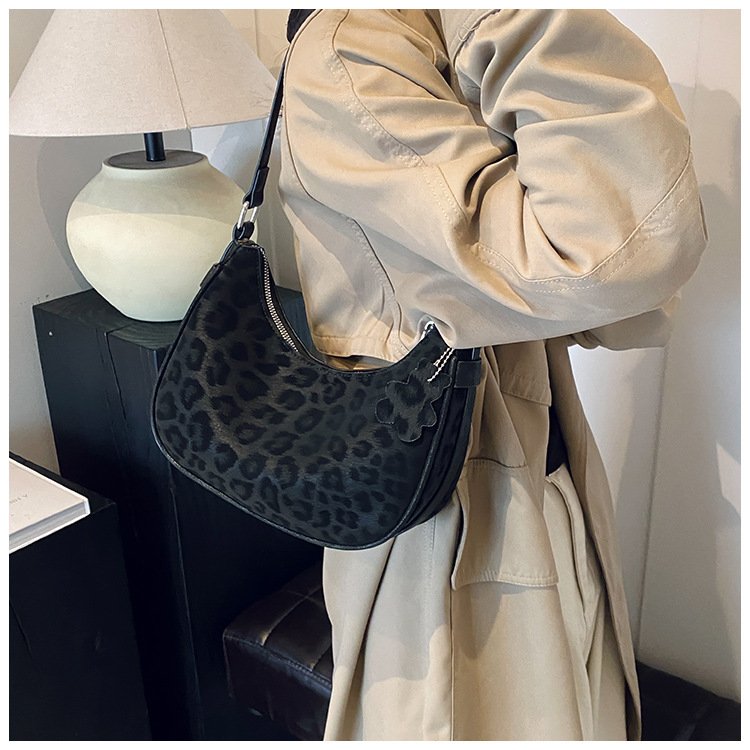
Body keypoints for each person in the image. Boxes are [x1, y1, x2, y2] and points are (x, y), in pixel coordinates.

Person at [275, 9, 708, 741]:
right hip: (448, 518)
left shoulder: (412, 39)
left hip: (520, 481)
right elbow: (609, 254)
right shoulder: (352, 49)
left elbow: (612, 287)